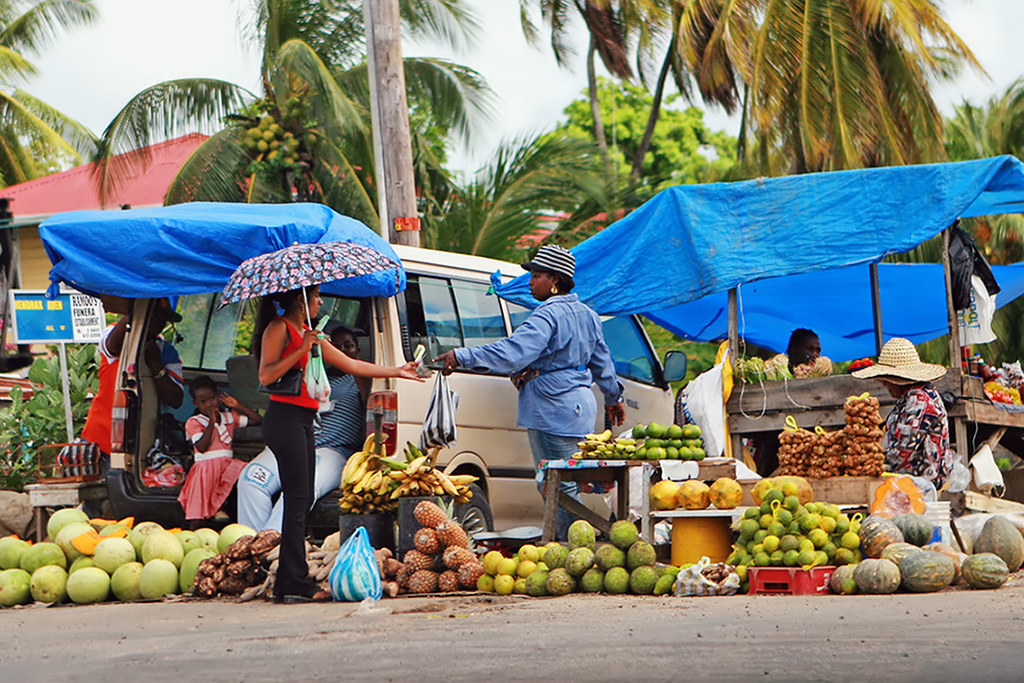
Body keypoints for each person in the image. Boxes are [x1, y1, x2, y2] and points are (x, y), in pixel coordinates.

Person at [434, 244, 625, 539]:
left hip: (553, 406)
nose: (531, 282)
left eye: (537, 276)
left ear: (555, 282)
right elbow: (602, 363)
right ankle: (571, 542)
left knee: (555, 483)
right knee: (567, 481)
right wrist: (614, 398)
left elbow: (513, 352)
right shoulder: (588, 314)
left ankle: (565, 546)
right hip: (580, 406)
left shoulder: (546, 315)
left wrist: (462, 357)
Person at [255, 285, 422, 604]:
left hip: (304, 419)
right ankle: (292, 581)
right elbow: (265, 375)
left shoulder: (310, 333)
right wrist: (301, 349)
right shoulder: (280, 328)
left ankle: (290, 580)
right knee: (297, 497)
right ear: (300, 300)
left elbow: (353, 365)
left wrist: (398, 371)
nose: (320, 302)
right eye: (316, 296)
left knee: (301, 499)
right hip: (284, 417)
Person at [237, 322, 368, 533]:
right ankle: (251, 547)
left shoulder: (360, 381)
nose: (343, 351)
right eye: (336, 347)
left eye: (349, 346)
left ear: (358, 350)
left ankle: (269, 543)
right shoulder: (310, 375)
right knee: (251, 479)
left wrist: (353, 366)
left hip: (332, 451)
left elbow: (367, 398)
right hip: (295, 443)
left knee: (301, 488)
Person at [82, 299, 184, 457]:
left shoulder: (166, 351)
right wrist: (137, 306)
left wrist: (156, 365)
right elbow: (112, 346)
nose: (156, 321)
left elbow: (176, 399)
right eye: (151, 314)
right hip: (101, 441)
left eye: (161, 317)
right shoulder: (114, 334)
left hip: (142, 441)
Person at [852, 337, 955, 489]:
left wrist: (868, 466)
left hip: (921, 483)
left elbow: (904, 451)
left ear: (897, 379)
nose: (885, 384)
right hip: (909, 481)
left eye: (886, 380)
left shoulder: (919, 399)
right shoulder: (909, 398)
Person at [178, 375, 262, 528]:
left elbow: (257, 420)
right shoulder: (194, 422)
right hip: (205, 472)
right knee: (199, 515)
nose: (209, 404)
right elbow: (202, 447)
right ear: (195, 404)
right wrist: (212, 422)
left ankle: (225, 514)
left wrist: (237, 405)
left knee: (238, 485)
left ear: (218, 396)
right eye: (203, 402)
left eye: (212, 399)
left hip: (226, 467)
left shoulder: (229, 417)